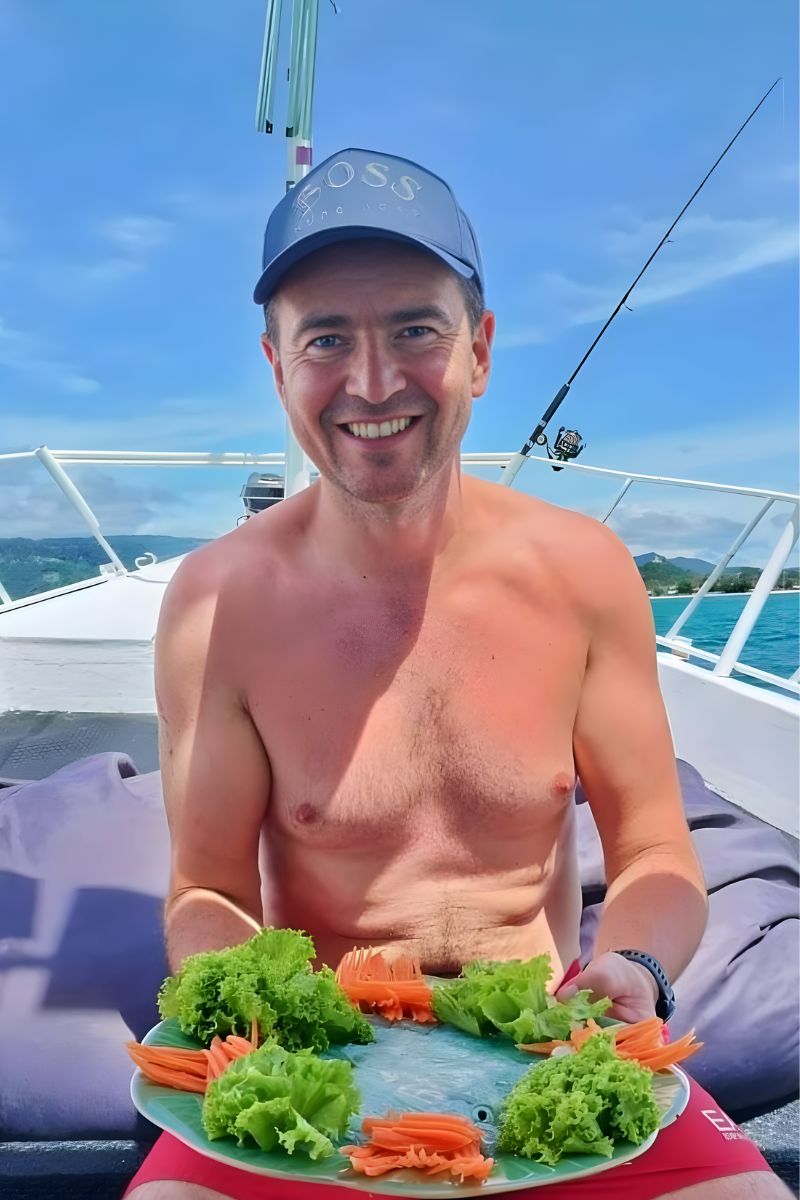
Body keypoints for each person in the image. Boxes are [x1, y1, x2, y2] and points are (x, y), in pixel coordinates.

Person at [126, 148, 788, 1199]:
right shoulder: (217, 606)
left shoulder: (584, 572)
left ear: (478, 351)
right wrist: (248, 1009)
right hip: (319, 1064)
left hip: (550, 1047)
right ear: (275, 365)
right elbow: (207, 887)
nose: (374, 381)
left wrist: (638, 971)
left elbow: (655, 848)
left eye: (415, 331)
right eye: (326, 339)